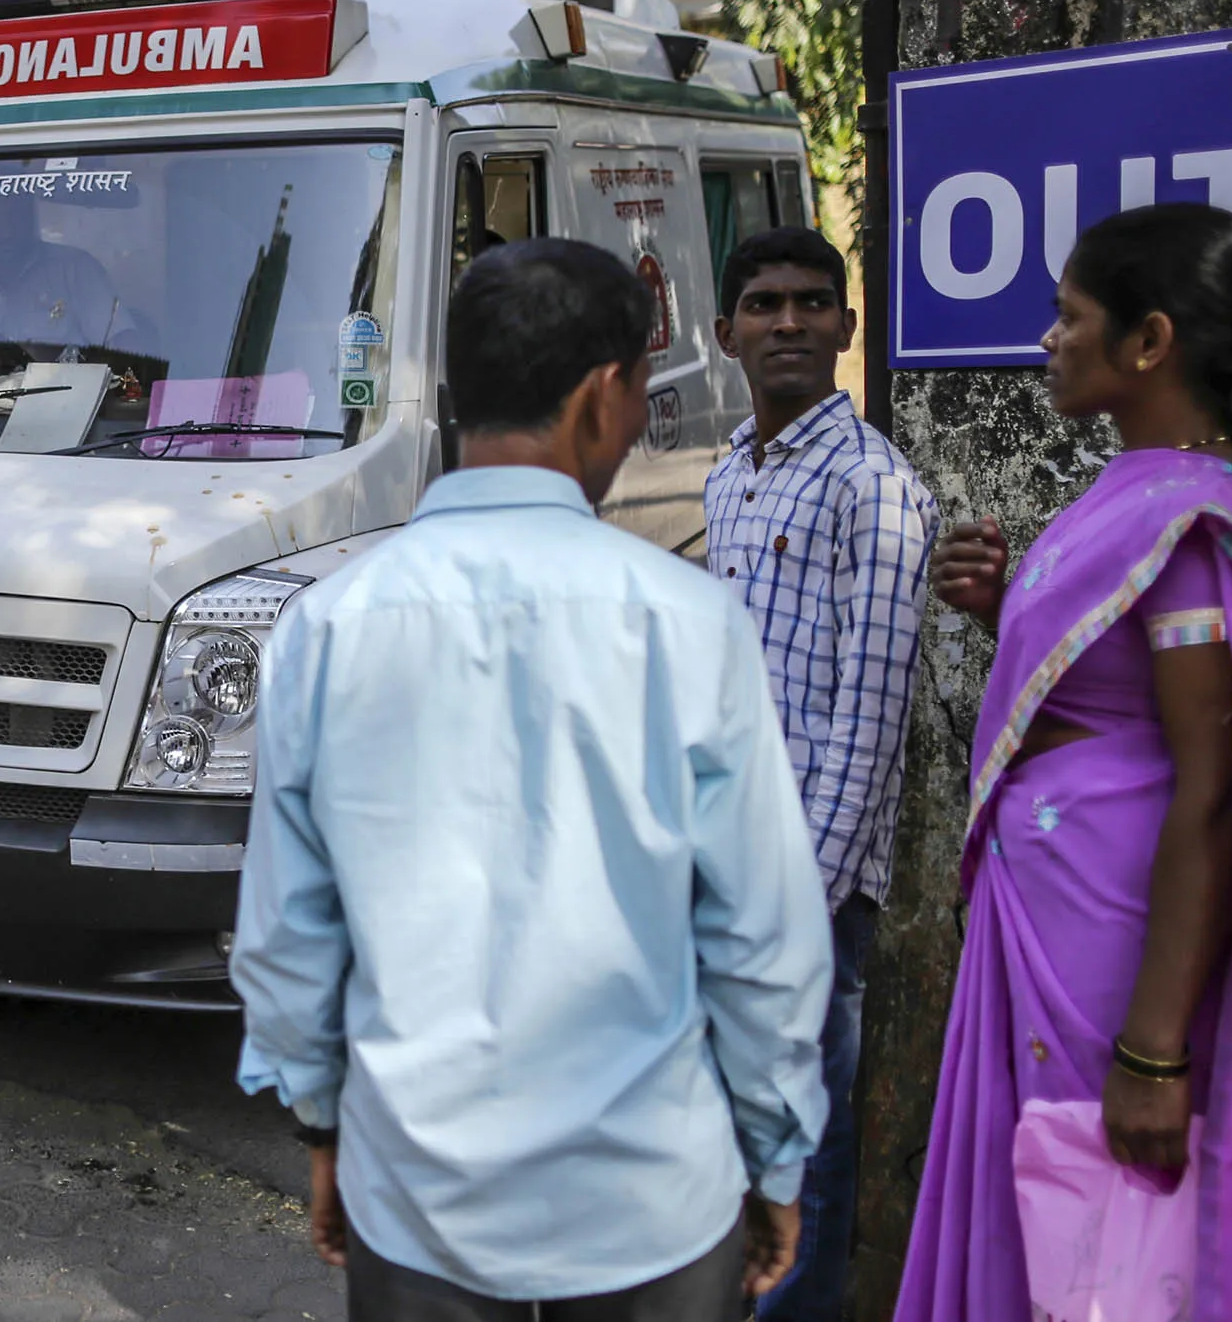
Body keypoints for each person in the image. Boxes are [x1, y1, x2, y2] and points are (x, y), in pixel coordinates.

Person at [232, 238, 834, 1322]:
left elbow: (288, 930)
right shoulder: (689, 626)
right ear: (604, 397)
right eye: (645, 388)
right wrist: (775, 1158)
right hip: (651, 1207)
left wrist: (320, 1124)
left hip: (416, 1200)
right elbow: (760, 940)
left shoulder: (324, 630)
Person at [897, 203, 1232, 1320]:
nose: (1047, 338)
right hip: (1072, 913)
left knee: (1102, 1239)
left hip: (1114, 950)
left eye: (1069, 316)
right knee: (1066, 1224)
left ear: (1149, 342)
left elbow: (1210, 791)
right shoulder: (1150, 496)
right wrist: (1006, 615)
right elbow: (1121, 701)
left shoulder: (1187, 520)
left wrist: (1155, 1054)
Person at [700, 225, 938, 1322]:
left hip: (810, 891)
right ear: (724, 332)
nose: (787, 322)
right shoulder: (728, 480)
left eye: (809, 303)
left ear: (848, 326)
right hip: (718, 870)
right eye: (762, 304)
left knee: (807, 1149)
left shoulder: (873, 488)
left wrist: (805, 895)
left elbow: (869, 721)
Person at [0, 191, 123, 351]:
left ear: (31, 220)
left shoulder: (76, 272)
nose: (6, 232)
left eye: (14, 218)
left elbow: (122, 346)